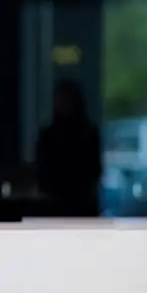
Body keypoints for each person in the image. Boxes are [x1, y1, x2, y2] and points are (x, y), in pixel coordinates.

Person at [35, 78, 102, 216]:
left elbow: (94, 169)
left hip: (81, 203)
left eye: (67, 100)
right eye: (61, 99)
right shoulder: (49, 134)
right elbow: (42, 169)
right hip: (54, 203)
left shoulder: (87, 133)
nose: (64, 104)